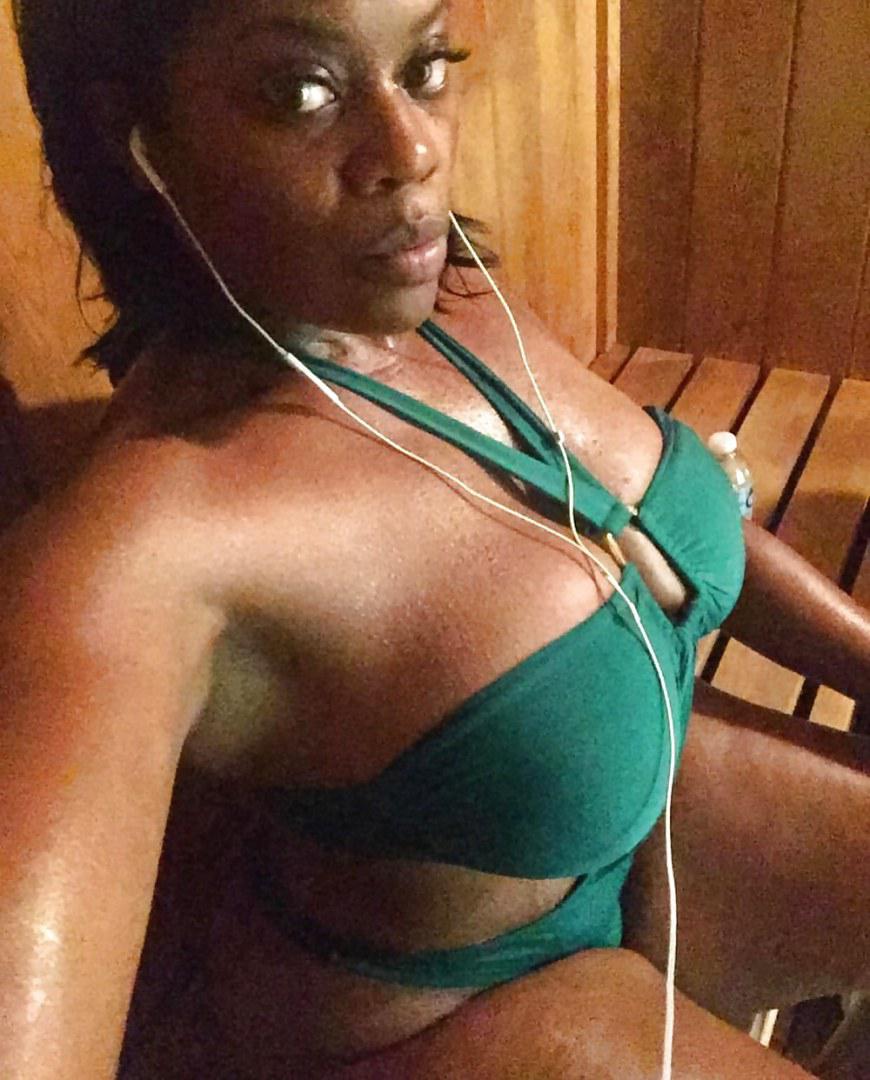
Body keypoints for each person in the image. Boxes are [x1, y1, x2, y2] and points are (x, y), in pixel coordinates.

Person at [2, 1, 868, 1076]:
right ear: (138, 137)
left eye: (424, 64)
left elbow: (657, 522)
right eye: (301, 92)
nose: (411, 149)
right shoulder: (141, 549)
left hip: (638, 828)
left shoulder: (457, 304)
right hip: (451, 1014)